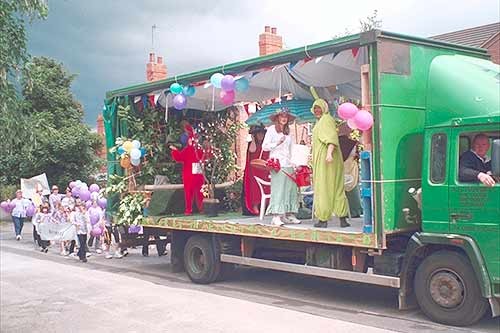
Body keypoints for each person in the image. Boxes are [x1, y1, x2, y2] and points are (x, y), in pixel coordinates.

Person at [311, 97, 349, 228]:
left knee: (323, 187)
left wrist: (328, 154)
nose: (316, 110)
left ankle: (323, 219)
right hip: (328, 158)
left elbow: (331, 139)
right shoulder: (323, 121)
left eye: (319, 108)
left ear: (324, 108)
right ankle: (342, 218)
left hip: (326, 160)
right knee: (337, 186)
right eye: (315, 108)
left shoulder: (325, 120)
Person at [262, 108, 301, 226]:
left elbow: (291, 149)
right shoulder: (271, 130)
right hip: (277, 164)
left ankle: (289, 214)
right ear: (277, 118)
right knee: (279, 189)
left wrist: (295, 162)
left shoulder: (288, 132)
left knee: (291, 189)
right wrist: (277, 143)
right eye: (281, 116)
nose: (284, 118)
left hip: (288, 163)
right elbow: (265, 146)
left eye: (286, 117)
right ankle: (276, 216)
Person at [169, 125, 205, 215]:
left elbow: (179, 158)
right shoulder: (196, 149)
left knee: (191, 192)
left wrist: (174, 151)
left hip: (191, 172)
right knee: (197, 191)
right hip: (195, 171)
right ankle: (198, 208)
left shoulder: (190, 149)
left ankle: (191, 209)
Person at [242, 124, 270, 215]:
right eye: (258, 134)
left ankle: (266, 206)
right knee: (255, 188)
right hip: (254, 171)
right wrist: (253, 139)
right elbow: (252, 151)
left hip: (264, 170)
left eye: (262, 133)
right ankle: (254, 205)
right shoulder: (251, 144)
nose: (260, 135)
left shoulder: (265, 144)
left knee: (267, 188)